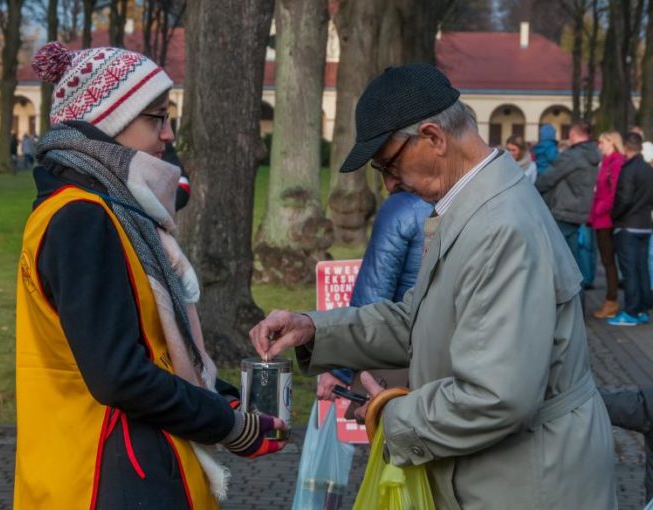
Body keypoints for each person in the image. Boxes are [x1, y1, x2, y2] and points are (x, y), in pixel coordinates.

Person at [249, 64, 616, 509]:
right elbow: (418, 319)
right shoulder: (473, 205)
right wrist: (315, 329)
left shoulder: (500, 226)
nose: (388, 183)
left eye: (389, 163)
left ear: (434, 137)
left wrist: (391, 416)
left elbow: (496, 396)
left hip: (528, 482)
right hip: (507, 472)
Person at [15, 42, 286, 509]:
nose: (167, 136)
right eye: (156, 118)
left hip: (122, 466)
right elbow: (119, 376)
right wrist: (227, 425)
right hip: (103, 476)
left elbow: (149, 347)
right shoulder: (83, 218)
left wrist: (222, 399)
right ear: (109, 122)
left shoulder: (108, 210)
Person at [317, 190, 432, 399]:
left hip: (398, 366)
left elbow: (373, 294)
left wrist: (341, 369)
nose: (388, 182)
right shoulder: (479, 200)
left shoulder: (403, 207)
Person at [535, 120, 600, 282]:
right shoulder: (592, 153)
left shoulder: (573, 156)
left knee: (562, 265)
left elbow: (548, 179)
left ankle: (569, 303)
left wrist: (534, 191)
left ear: (572, 134)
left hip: (563, 211)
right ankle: (579, 303)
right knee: (573, 263)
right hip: (578, 211)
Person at [607, 132, 653, 326]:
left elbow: (624, 198)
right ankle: (643, 309)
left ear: (626, 147)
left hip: (628, 225)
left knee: (629, 270)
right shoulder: (648, 169)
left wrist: (614, 216)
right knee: (642, 268)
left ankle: (631, 312)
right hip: (644, 225)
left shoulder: (628, 169)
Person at [588, 131, 625, 319]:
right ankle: (611, 299)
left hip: (606, 218)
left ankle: (611, 301)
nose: (599, 145)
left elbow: (614, 192)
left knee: (609, 262)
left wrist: (600, 210)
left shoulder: (616, 162)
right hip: (600, 217)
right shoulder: (607, 162)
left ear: (611, 142)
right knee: (608, 260)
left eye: (602, 142)